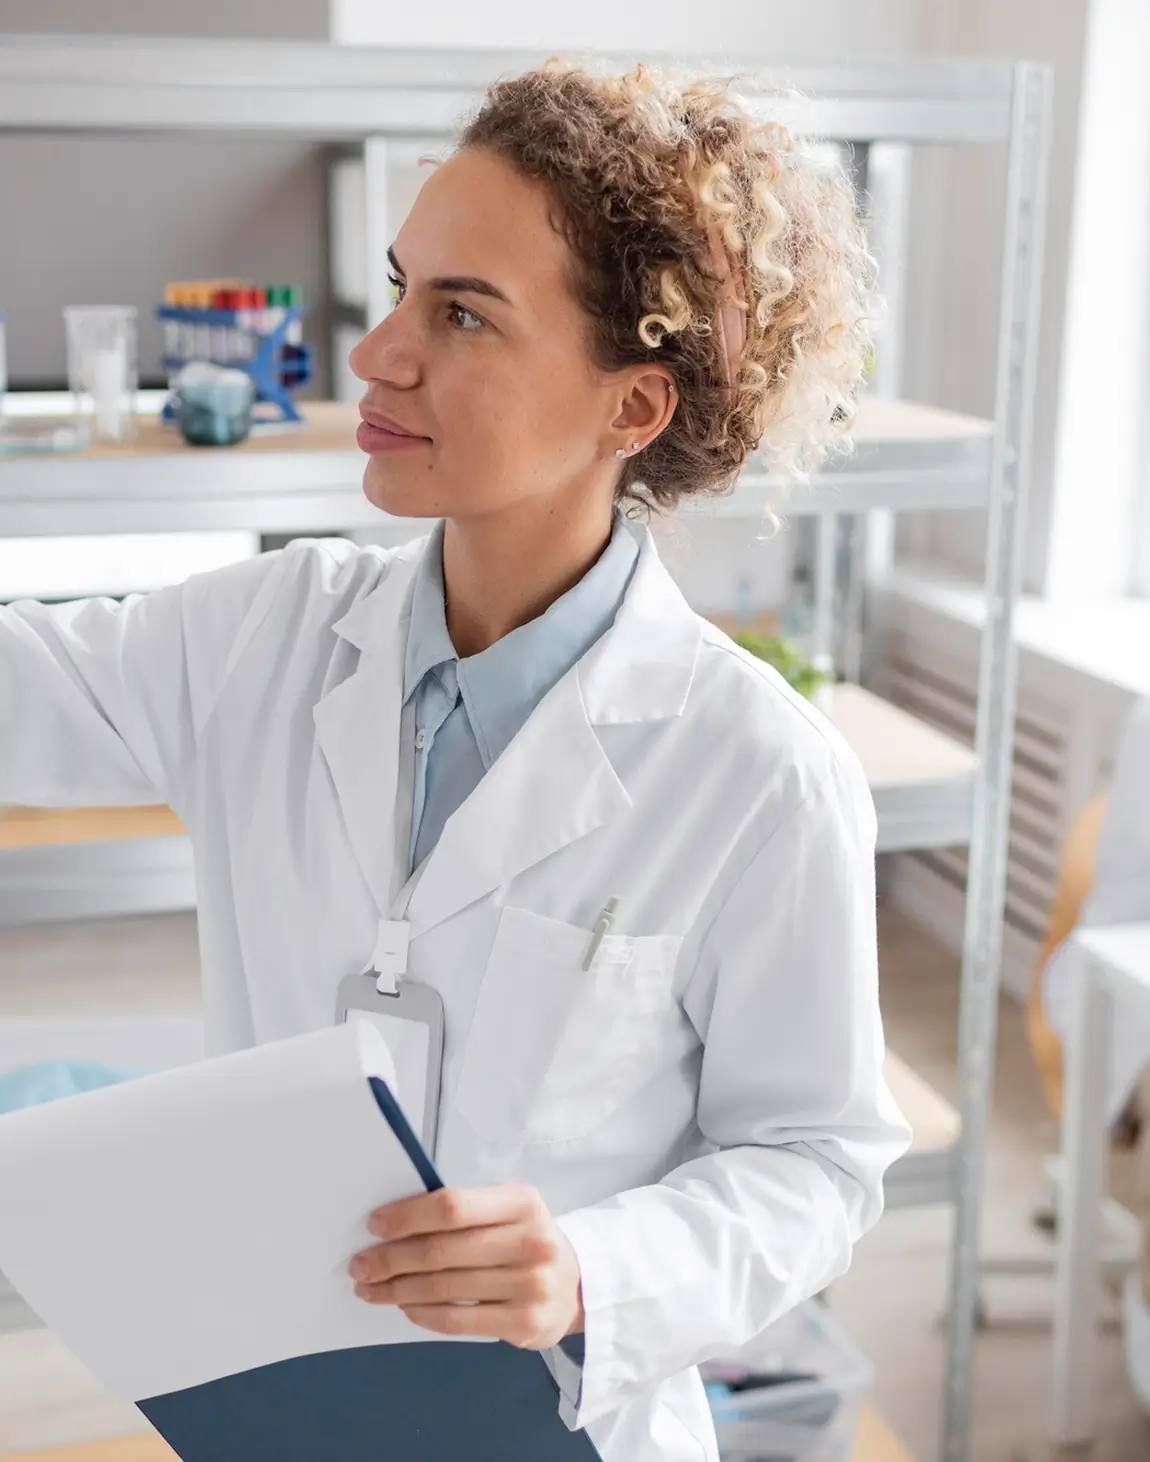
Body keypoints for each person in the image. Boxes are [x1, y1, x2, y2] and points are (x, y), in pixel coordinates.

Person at [0, 62, 909, 1462]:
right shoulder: (266, 637)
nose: (377, 354)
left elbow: (817, 1161)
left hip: (558, 1423)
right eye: (401, 286)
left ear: (630, 411)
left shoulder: (754, 770)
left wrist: (593, 1268)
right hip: (272, 1397)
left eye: (463, 313)